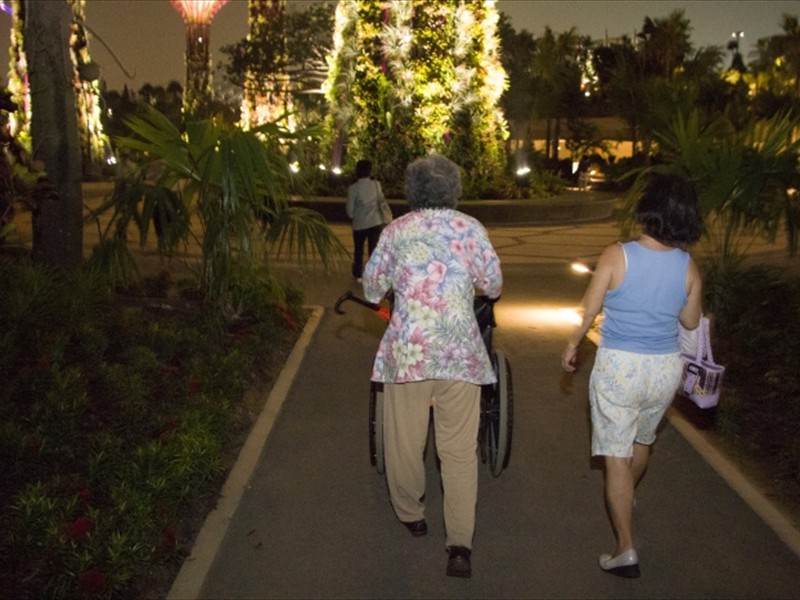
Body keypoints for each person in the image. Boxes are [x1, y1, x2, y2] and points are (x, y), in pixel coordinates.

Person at [362, 154, 502, 578]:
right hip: (460, 352)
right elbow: (493, 284)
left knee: (405, 442)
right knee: (459, 451)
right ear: (454, 191)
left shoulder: (396, 230)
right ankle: (459, 545)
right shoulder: (471, 228)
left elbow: (371, 289)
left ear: (412, 190)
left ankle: (412, 514)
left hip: (410, 353)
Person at [561, 172, 704, 579]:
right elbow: (691, 322)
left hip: (619, 368)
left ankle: (625, 548)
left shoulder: (616, 255)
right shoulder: (688, 266)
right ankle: (626, 493)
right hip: (663, 370)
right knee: (643, 439)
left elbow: (588, 310)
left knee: (615, 456)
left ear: (647, 208)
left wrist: (572, 344)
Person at [346, 159, 387, 281]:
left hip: (360, 224)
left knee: (358, 250)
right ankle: (372, 273)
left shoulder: (353, 188)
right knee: (373, 249)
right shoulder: (376, 185)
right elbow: (381, 201)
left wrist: (353, 215)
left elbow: (350, 210)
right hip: (375, 222)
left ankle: (358, 273)